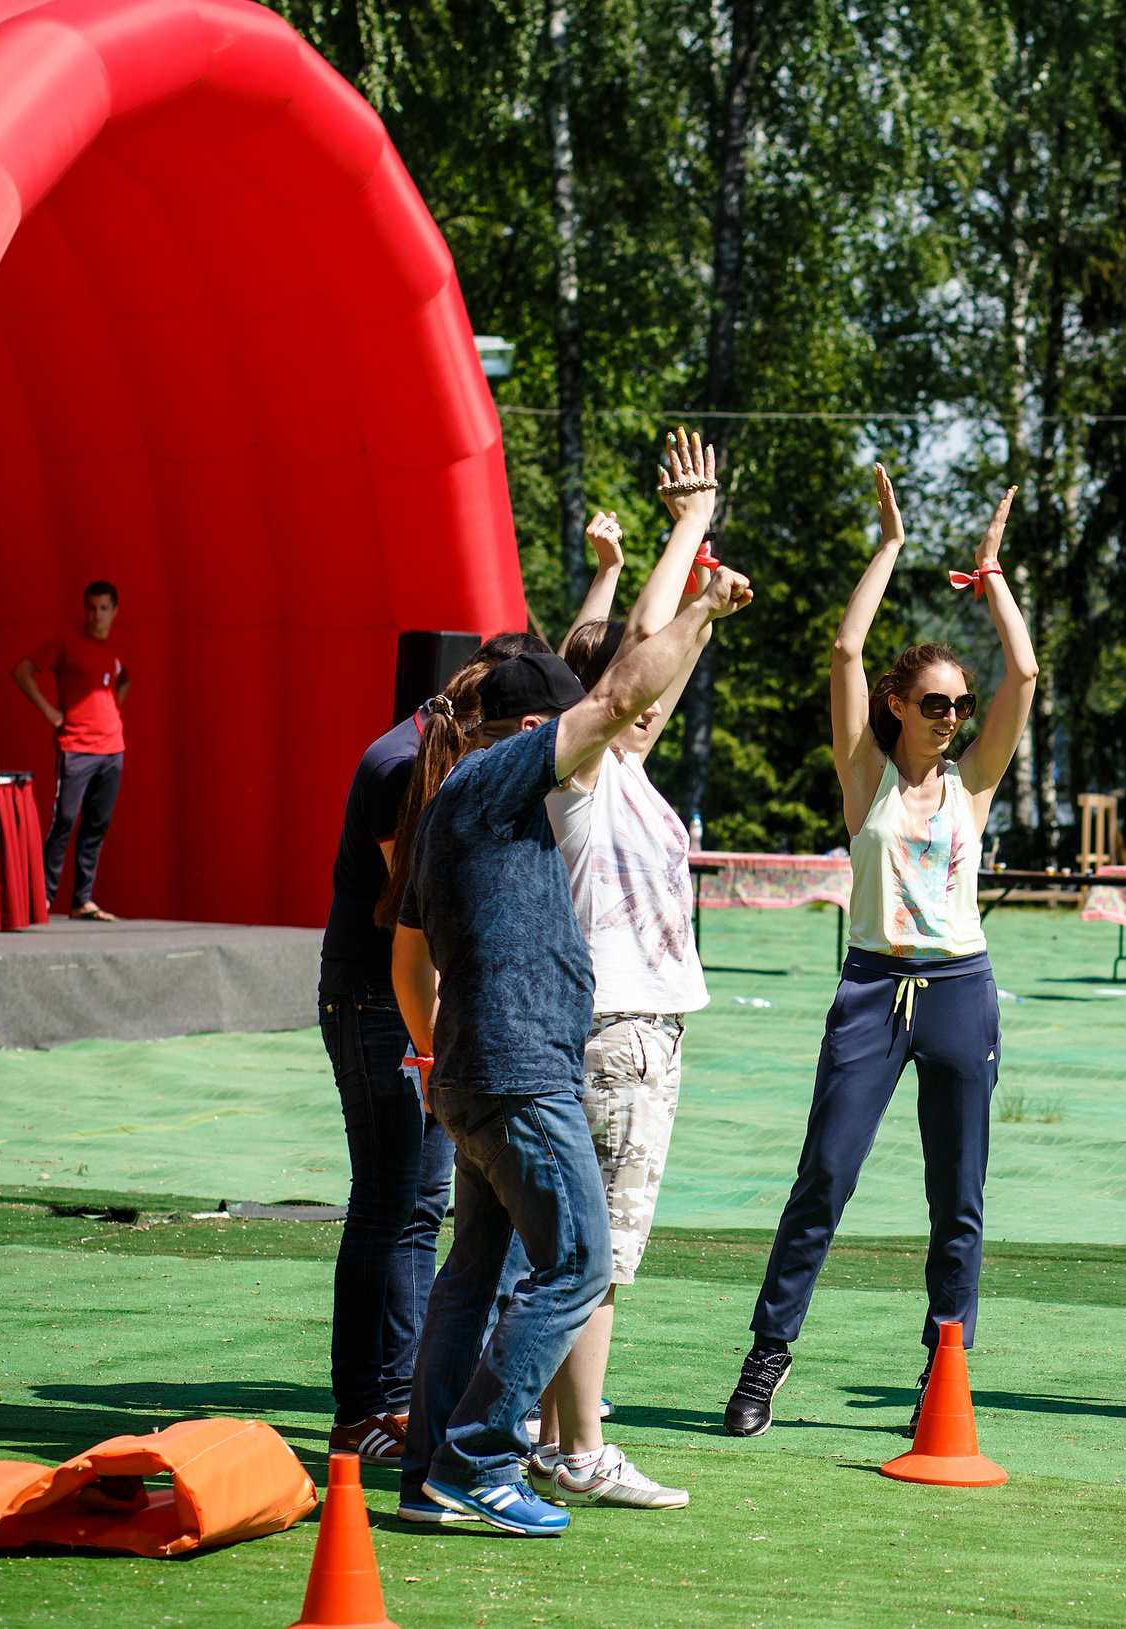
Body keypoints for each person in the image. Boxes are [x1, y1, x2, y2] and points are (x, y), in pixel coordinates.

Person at [392, 524, 752, 1537]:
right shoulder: (506, 776)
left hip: (472, 1070)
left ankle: (431, 1476)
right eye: (561, 719)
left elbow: (410, 958)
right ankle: (481, 1460)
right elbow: (619, 693)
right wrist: (700, 611)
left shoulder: (449, 795)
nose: (584, 734)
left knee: (474, 1276)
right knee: (579, 1267)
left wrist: (432, 1055)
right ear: (526, 728)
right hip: (519, 1072)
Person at [722, 469, 1036, 1437]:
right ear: (896, 704)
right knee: (824, 1176)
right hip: (870, 990)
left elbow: (1023, 678)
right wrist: (891, 543)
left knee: (960, 1197)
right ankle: (765, 1363)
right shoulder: (865, 778)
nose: (951, 717)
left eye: (957, 705)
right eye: (934, 703)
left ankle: (946, 1369)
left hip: (957, 992)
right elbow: (846, 646)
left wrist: (991, 576)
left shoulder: (972, 785)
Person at [524, 430, 727, 1511]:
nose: (658, 696)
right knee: (591, 1256)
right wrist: (688, 528)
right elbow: (639, 648)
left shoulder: (627, 770)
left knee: (584, 1253)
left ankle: (553, 1433)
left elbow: (656, 657)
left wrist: (678, 576)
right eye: (632, 688)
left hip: (641, 1031)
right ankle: (576, 1447)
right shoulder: (582, 768)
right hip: (614, 1031)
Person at [316, 626, 552, 1465]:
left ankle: (403, 1398)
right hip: (377, 997)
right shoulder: (396, 763)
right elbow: (409, 909)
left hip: (415, 996)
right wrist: (434, 1038)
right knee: (390, 1202)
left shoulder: (441, 747)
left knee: (418, 1206)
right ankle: (365, 1410)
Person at [12, 580, 130, 920]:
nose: (96, 615)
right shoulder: (67, 642)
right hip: (76, 748)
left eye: (103, 608)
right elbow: (22, 671)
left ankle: (82, 900)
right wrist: (51, 713)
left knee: (97, 824)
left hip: (112, 749)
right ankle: (43, 898)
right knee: (64, 820)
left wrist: (110, 716)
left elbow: (124, 680)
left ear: (114, 611)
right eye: (91, 608)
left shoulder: (120, 649)